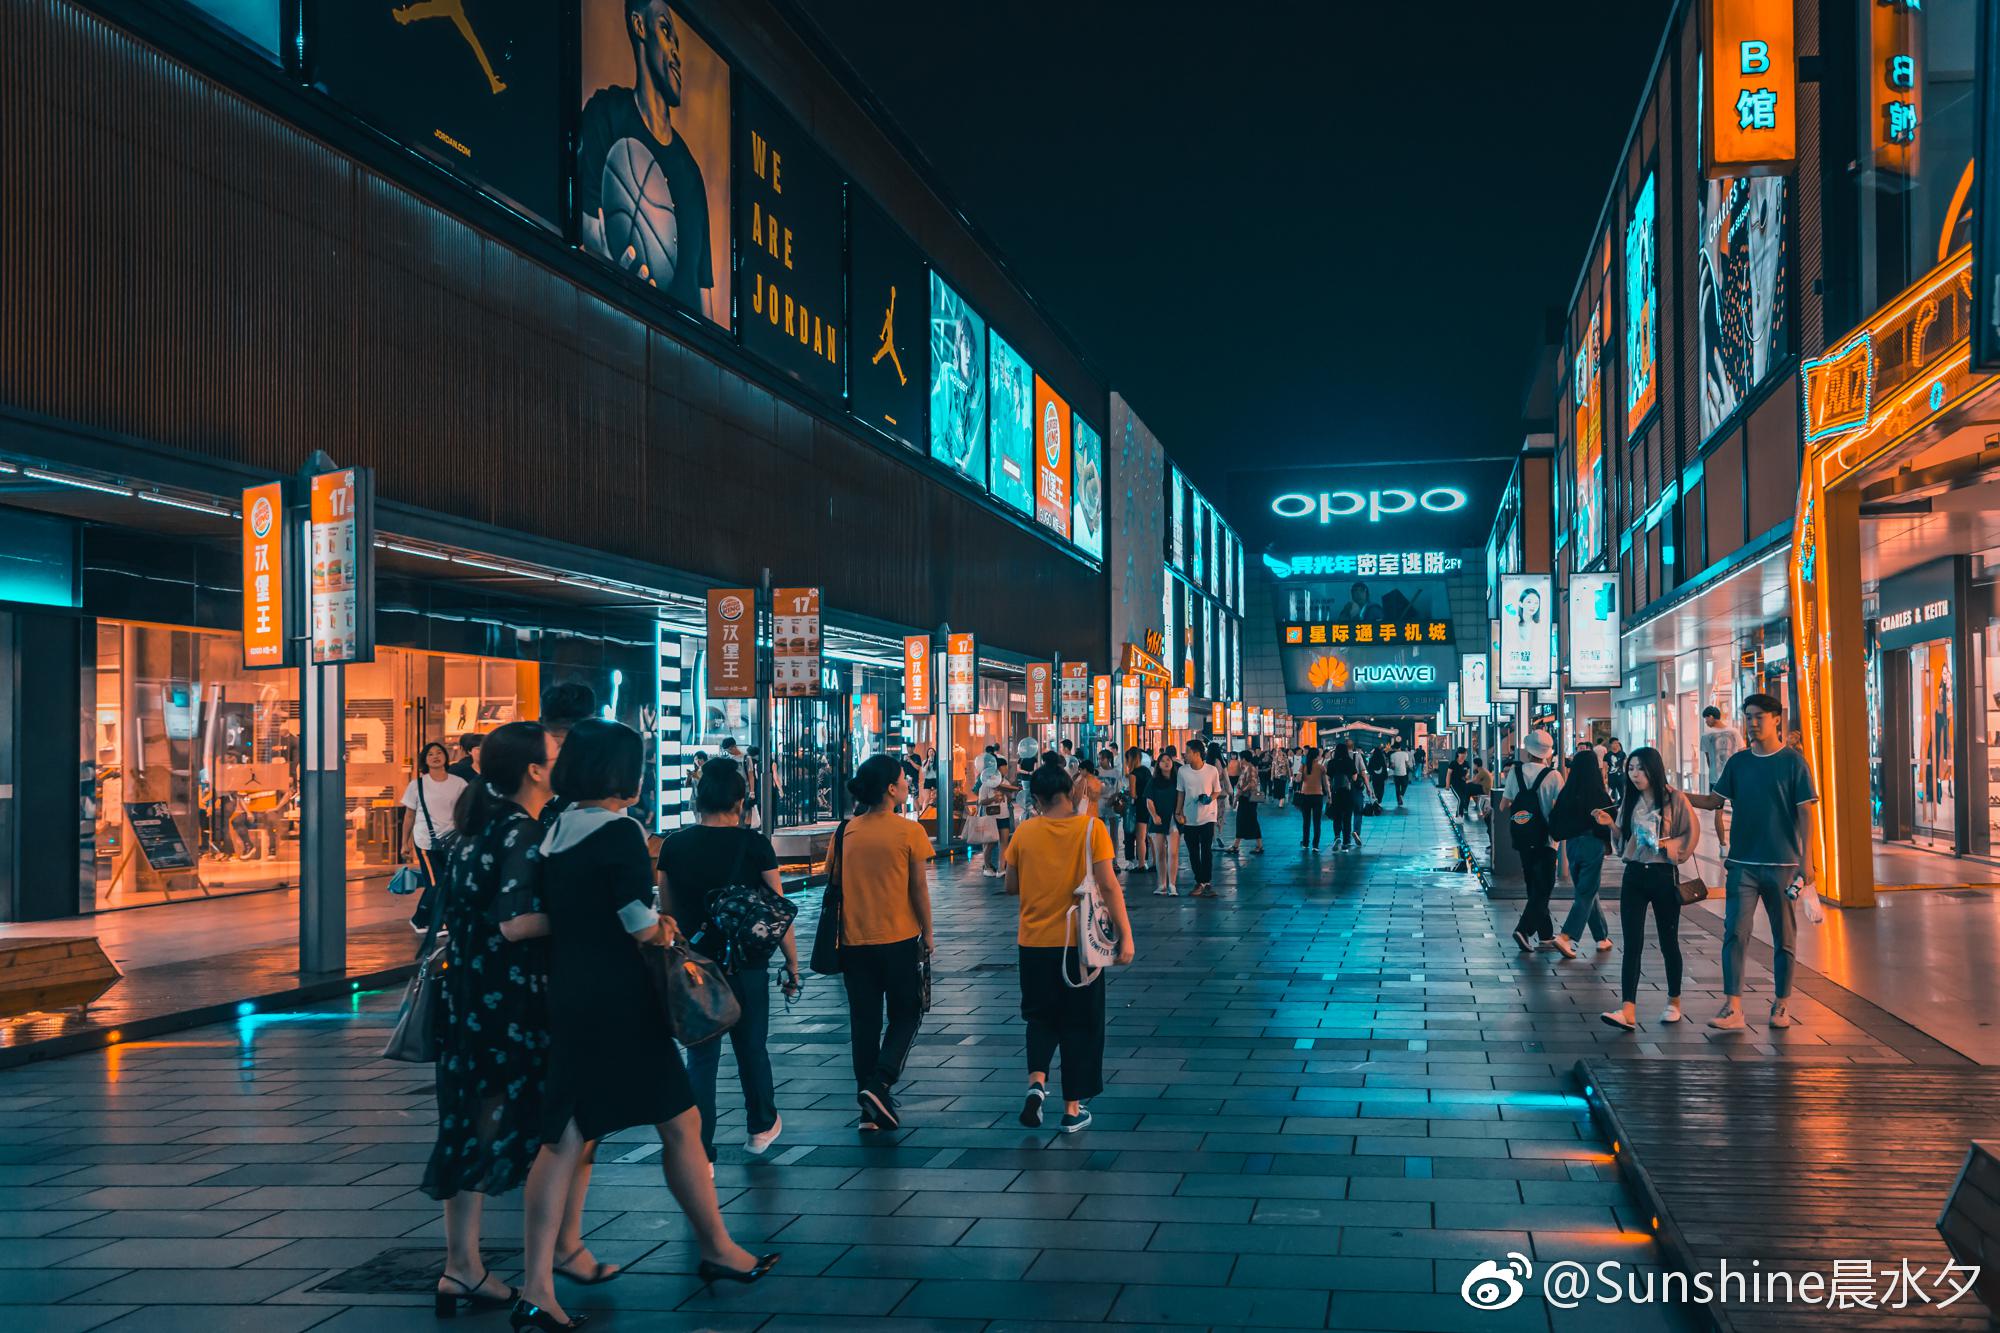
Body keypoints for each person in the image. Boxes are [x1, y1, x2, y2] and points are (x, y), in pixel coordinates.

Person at [524, 719, 774, 1331]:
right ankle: (716, 1248)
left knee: (566, 1136)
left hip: (570, 993)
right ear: (619, 772)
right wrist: (664, 929)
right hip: (621, 1002)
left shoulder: (557, 830)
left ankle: (539, 1285)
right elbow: (638, 922)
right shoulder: (619, 831)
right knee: (680, 1124)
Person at [422, 722, 555, 1317]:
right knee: (545, 1130)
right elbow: (516, 922)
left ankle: (462, 1266)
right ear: (534, 770)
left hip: (468, 996)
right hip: (507, 1001)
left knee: (467, 1120)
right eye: (554, 754)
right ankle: (551, 1264)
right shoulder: (521, 831)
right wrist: (587, 914)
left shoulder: (475, 828)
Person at [656, 758, 799, 1166]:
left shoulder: (674, 846)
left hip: (695, 967)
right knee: (752, 1048)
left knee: (701, 1060)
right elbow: (778, 911)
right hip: (746, 966)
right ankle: (760, 1127)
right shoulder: (754, 845)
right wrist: (792, 963)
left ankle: (700, 1150)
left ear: (698, 800)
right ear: (740, 801)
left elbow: (667, 912)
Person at [1004, 764, 1136, 1134]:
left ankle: (1036, 1084)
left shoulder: (1025, 832)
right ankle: (1072, 1110)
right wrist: (1125, 936)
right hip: (1079, 946)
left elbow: (1011, 885)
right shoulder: (1091, 829)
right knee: (1080, 1023)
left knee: (1040, 1019)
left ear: (1037, 799)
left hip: (1033, 943)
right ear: (1070, 791)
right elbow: (1108, 885)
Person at [1684, 693, 1817, 1031]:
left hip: (1783, 865)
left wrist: (1808, 861)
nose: (1753, 723)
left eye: (1759, 717)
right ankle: (1733, 1007)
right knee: (1735, 932)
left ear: (1776, 719)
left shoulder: (1794, 763)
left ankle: (1782, 1003)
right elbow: (1714, 801)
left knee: (1784, 937)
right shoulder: (1739, 763)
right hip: (1742, 863)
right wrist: (1678, 795)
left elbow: (1806, 814)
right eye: (1748, 717)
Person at [578, 1, 719, 319]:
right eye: (666, 30)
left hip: (680, 348)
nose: (677, 54)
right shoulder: (606, 115)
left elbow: (705, 304)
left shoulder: (691, 173)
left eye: (678, 43)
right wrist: (616, 277)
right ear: (639, 26)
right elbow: (587, 233)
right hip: (613, 328)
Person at [834, 755, 935, 1128]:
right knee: (907, 1013)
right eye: (903, 779)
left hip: (853, 941)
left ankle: (869, 1110)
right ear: (891, 789)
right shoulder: (909, 831)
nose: (908, 783)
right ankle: (880, 1082)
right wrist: (929, 932)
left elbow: (835, 883)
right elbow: (918, 888)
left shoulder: (845, 832)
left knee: (864, 1023)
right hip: (898, 939)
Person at [1596, 746, 1700, 1030]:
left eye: (1641, 768)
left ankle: (1674, 1002)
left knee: (1668, 941)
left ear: (1654, 769)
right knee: (1632, 943)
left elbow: (1690, 833)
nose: (1635, 774)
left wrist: (1664, 845)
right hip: (1634, 876)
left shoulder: (1674, 799)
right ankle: (1627, 1010)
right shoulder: (1630, 799)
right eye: (1631, 769)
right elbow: (1623, 844)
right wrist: (1610, 825)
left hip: (1663, 874)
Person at [1547, 747, 1616, 960]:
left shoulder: (1567, 793)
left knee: (1587, 890)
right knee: (1586, 892)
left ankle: (1601, 937)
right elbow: (1611, 818)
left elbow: (1555, 818)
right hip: (1592, 844)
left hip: (1572, 845)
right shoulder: (1598, 793)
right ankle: (1566, 936)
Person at [1500, 730, 1564, 953]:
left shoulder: (1515, 772)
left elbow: (1504, 805)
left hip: (1523, 837)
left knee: (1533, 885)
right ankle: (1524, 929)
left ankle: (1545, 934)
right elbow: (1560, 807)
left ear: (1527, 750)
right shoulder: (1554, 776)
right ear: (1547, 753)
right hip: (1546, 840)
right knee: (1544, 888)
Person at [403, 742, 469, 934]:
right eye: (430, 754)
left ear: (446, 757)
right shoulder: (417, 785)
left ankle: (420, 919)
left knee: (447, 883)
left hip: (452, 841)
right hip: (426, 841)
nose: (435, 756)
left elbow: (466, 810)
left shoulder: (458, 783)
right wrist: (404, 843)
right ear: (425, 760)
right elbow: (409, 815)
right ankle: (440, 923)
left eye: (439, 752)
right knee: (436, 884)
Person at [1175, 742, 1225, 897]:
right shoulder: (1183, 771)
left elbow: (1217, 791)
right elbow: (1180, 793)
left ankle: (1206, 882)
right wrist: (1178, 812)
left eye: (1187, 752)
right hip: (1189, 817)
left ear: (1196, 753)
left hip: (1208, 816)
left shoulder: (1211, 770)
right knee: (1193, 851)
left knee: (1206, 850)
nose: (1185, 754)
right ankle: (1200, 881)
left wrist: (1209, 799)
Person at [1699, 705, 1740, 856]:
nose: (1706, 722)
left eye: (1706, 718)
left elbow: (1708, 759)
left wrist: (1714, 771)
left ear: (1711, 716)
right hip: (1735, 778)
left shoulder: (1706, 736)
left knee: (1718, 813)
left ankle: (1723, 845)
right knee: (1738, 812)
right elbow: (1741, 753)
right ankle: (1737, 844)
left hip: (1716, 779)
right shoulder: (1734, 732)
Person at [1144, 753, 1182, 894]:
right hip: (1158, 820)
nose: (1166, 762)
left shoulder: (1178, 780)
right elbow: (1149, 801)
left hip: (1173, 819)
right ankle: (1162, 885)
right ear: (1158, 765)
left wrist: (1180, 813)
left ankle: (1172, 884)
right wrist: (1154, 815)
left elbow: (1182, 797)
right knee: (1160, 853)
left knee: (1173, 852)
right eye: (1163, 761)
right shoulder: (1153, 781)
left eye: (1168, 760)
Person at [1225, 750, 1264, 854]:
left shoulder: (1250, 768)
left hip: (1248, 799)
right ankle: (1238, 845)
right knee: (1244, 821)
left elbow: (1252, 783)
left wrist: (1241, 791)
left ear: (1243, 759)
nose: (1240, 760)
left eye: (1240, 758)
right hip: (1245, 799)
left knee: (1249, 821)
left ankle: (1239, 846)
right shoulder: (1246, 768)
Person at [1124, 748, 1152, 872]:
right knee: (1149, 837)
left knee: (1140, 838)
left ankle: (1141, 865)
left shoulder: (1133, 774)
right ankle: (1151, 863)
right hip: (1149, 805)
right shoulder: (1147, 771)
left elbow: (1133, 794)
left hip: (1139, 806)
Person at [1294, 746, 1326, 851]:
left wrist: (1301, 770)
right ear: (1317, 756)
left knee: (1306, 821)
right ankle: (1315, 845)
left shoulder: (1304, 766)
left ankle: (1305, 843)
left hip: (1306, 796)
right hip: (1318, 796)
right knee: (1317, 822)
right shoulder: (1321, 767)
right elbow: (1325, 783)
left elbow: (1297, 780)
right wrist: (1329, 795)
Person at [1447, 748, 1472, 818]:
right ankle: (1459, 816)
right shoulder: (1453, 763)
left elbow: (1468, 772)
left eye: (1465, 754)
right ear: (1458, 754)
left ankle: (1459, 814)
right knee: (1460, 799)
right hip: (1454, 784)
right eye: (1462, 753)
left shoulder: (1466, 763)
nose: (1464, 755)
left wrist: (1466, 776)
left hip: (1463, 784)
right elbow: (1448, 774)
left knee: (1463, 800)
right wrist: (1447, 785)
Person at [1387, 741, 1412, 807]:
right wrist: (1409, 768)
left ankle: (1399, 801)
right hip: (1403, 773)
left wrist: (1392, 768)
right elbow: (1406, 764)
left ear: (1394, 748)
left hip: (1396, 774)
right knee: (1405, 785)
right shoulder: (1405, 754)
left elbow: (1392, 766)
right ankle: (1401, 795)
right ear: (1400, 747)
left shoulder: (1392, 755)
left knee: (1397, 787)